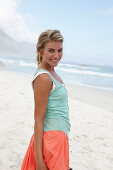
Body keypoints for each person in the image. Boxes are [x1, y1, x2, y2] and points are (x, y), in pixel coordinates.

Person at [21, 29, 71, 170]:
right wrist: (39, 160)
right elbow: (39, 119)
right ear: (40, 51)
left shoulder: (52, 73)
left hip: (58, 138)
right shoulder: (44, 78)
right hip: (52, 140)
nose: (56, 55)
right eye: (51, 50)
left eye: (59, 50)